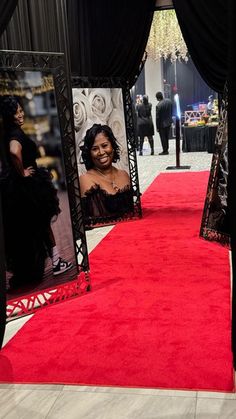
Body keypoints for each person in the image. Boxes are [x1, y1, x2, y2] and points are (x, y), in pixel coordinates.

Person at [0, 95, 72, 291]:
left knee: (34, 227)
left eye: (21, 110)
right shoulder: (15, 134)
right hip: (27, 185)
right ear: (10, 115)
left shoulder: (8, 131)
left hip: (19, 187)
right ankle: (57, 262)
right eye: (17, 112)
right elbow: (14, 151)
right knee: (42, 222)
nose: (21, 114)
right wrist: (22, 171)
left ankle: (52, 261)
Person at [79, 123, 134, 226]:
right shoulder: (85, 180)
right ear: (89, 153)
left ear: (112, 146)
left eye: (105, 145)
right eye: (95, 149)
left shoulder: (124, 175)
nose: (101, 152)